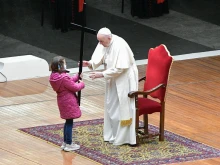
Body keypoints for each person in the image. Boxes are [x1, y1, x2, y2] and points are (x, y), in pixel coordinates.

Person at [82, 27, 138, 146]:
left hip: (124, 79)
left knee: (122, 106)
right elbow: (101, 57)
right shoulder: (104, 42)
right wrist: (90, 63)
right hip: (112, 77)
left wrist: (101, 74)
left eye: (102, 41)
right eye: (99, 41)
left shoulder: (120, 45)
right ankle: (113, 134)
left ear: (109, 38)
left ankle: (125, 138)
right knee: (111, 105)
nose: (100, 44)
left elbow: (121, 68)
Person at [49, 56, 85, 151]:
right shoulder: (64, 78)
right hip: (69, 101)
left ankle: (65, 142)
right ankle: (69, 143)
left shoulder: (55, 77)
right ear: (61, 66)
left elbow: (68, 83)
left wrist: (77, 77)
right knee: (69, 123)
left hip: (62, 101)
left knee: (67, 122)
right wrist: (82, 83)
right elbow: (74, 87)